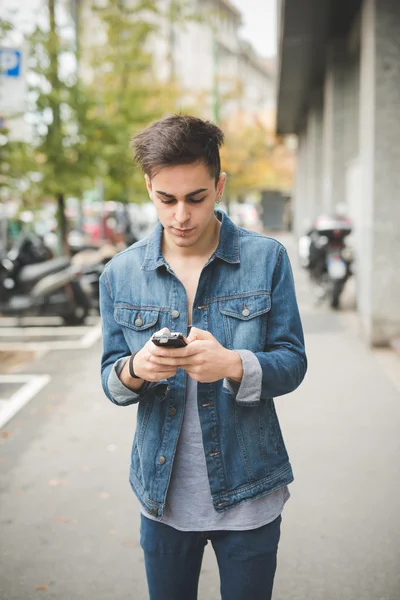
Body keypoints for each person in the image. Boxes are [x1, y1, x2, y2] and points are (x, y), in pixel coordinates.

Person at [99, 114, 307, 600]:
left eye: (196, 198)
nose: (180, 216)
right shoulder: (121, 273)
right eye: (165, 199)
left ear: (219, 185)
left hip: (250, 489)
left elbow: (293, 361)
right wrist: (136, 370)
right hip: (162, 496)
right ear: (148, 186)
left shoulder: (266, 259)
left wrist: (234, 365)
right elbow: (110, 379)